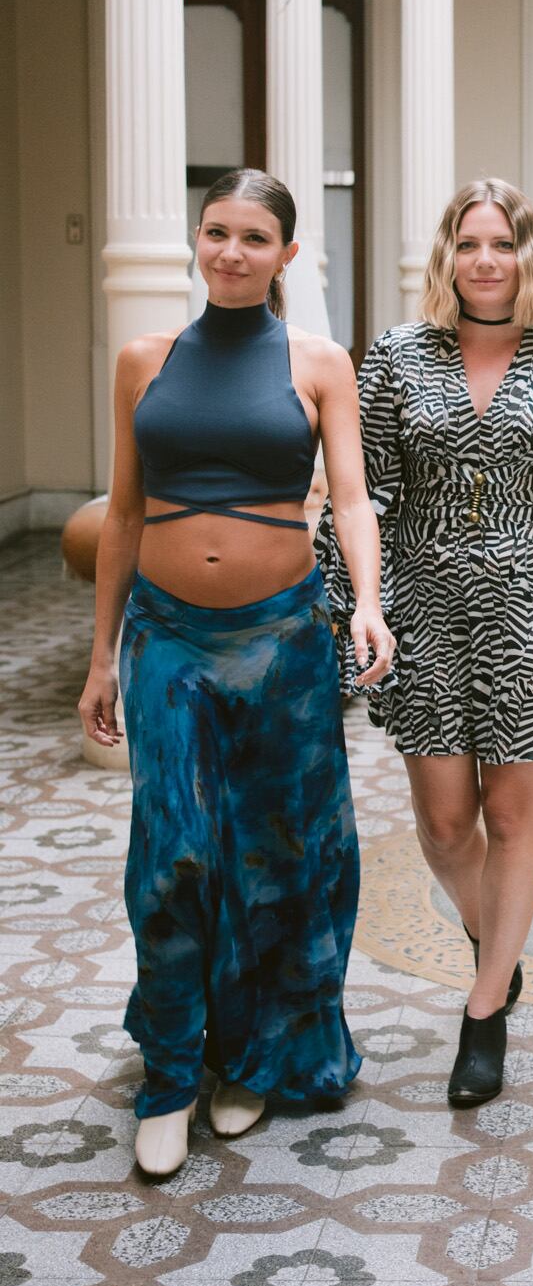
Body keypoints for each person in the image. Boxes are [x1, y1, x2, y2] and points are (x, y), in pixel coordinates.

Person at [77, 170, 393, 1179]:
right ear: (196, 238)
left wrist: (370, 601)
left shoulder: (318, 360)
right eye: (215, 231)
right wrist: (100, 655)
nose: (230, 251)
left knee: (278, 854)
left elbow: (349, 499)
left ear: (286, 255)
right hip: (166, 637)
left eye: (254, 237)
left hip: (284, 639)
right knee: (173, 853)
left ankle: (253, 1056)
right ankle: (171, 1071)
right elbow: (124, 513)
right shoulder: (144, 359)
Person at [317, 179, 533, 1110]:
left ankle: (483, 1012)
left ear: (530, 257)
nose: (486, 260)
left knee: (515, 817)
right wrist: (352, 609)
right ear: (447, 257)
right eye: (469, 244)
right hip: (424, 602)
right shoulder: (398, 359)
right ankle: (501, 945)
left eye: (504, 244)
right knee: (447, 823)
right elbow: (361, 498)